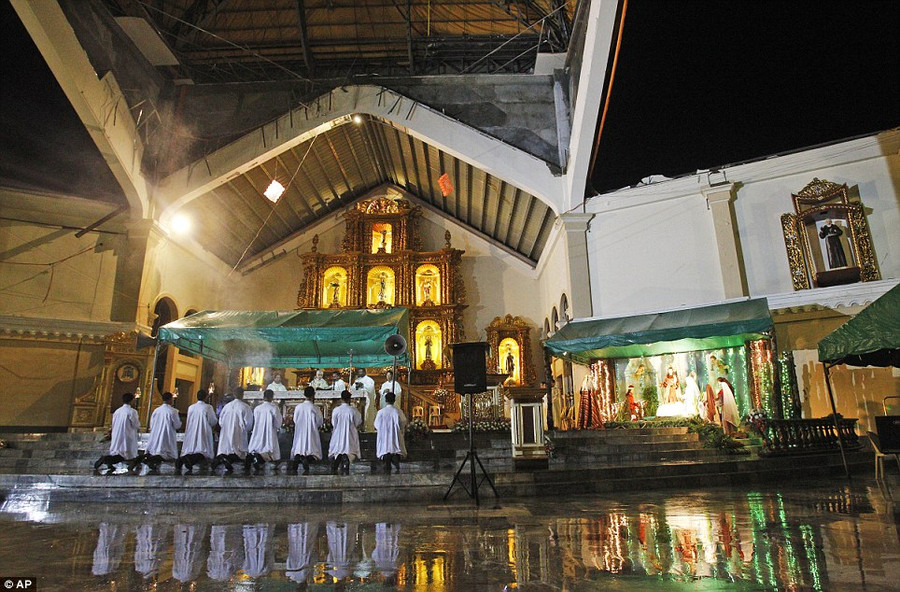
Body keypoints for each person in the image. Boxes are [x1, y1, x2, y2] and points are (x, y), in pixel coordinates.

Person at [94, 392, 140, 475]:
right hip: (127, 435)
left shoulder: (117, 411)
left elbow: (113, 423)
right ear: (132, 400)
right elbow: (135, 424)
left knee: (118, 452)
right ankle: (106, 459)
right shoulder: (132, 411)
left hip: (117, 435)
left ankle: (107, 461)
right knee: (127, 453)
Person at [212, 387, 254, 475]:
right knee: (239, 451)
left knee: (228, 448)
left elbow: (221, 421)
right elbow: (249, 424)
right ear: (243, 395)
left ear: (234, 395)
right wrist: (247, 430)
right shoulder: (245, 407)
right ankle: (228, 460)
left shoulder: (227, 406)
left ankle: (222, 458)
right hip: (239, 433)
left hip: (226, 432)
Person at [176, 390, 218, 475]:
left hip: (192, 430)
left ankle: (184, 458)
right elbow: (213, 421)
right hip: (203, 430)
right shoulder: (208, 407)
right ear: (206, 397)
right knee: (202, 450)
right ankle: (190, 460)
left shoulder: (191, 407)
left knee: (193, 447)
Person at [141, 391, 182, 474]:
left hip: (156, 434)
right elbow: (177, 425)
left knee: (158, 450)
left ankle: (152, 460)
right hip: (167, 435)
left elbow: (152, 424)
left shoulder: (156, 410)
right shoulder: (173, 411)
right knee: (165, 452)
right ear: (170, 399)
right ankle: (152, 460)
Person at [290, 386, 324, 475]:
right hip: (311, 431)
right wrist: (314, 426)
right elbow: (320, 421)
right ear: (313, 395)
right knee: (312, 450)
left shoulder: (298, 407)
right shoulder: (315, 408)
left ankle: (298, 456)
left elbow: (295, 420)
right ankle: (307, 458)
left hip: (300, 430)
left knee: (299, 446)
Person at [328, 390, 362, 475]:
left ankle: (338, 457)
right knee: (349, 449)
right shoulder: (353, 410)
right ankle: (346, 458)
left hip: (338, 433)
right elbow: (358, 422)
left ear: (341, 399)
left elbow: (333, 423)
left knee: (337, 448)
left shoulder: (336, 410)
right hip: (350, 433)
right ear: (349, 399)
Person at [247, 389, 281, 473]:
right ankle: (261, 458)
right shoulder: (274, 408)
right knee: (269, 448)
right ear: (272, 397)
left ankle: (256, 456)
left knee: (258, 444)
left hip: (258, 431)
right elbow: (278, 423)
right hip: (270, 431)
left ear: (263, 397)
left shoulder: (257, 408)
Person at [374, 391, 407, 474]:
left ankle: (387, 459)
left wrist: (381, 429)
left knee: (385, 448)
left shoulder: (381, 412)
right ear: (394, 400)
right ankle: (395, 457)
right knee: (395, 447)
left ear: (385, 400)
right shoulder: (398, 411)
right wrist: (400, 429)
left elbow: (376, 424)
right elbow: (403, 421)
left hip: (384, 435)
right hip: (395, 433)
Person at [355, 367, 377, 431]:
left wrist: (363, 385)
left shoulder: (369, 380)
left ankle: (367, 428)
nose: (360, 373)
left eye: (361, 372)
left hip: (367, 401)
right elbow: (353, 388)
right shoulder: (357, 380)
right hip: (358, 401)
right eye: (359, 372)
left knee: (367, 414)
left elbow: (371, 389)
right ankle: (359, 427)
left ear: (365, 372)